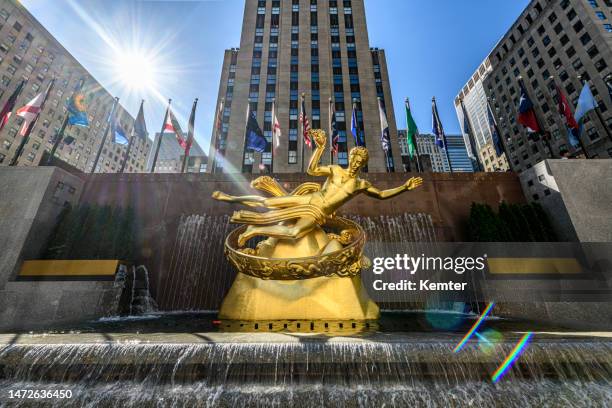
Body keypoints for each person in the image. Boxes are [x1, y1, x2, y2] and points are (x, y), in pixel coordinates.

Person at [213, 129, 423, 246]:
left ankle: (255, 230)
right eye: (355, 157)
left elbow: (382, 195)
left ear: (363, 163)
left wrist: (404, 187)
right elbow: (312, 170)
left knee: (295, 233)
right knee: (269, 202)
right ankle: (229, 198)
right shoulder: (335, 169)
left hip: (321, 213)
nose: (357, 162)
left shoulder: (360, 184)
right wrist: (320, 147)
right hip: (311, 199)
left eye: (361, 160)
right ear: (350, 158)